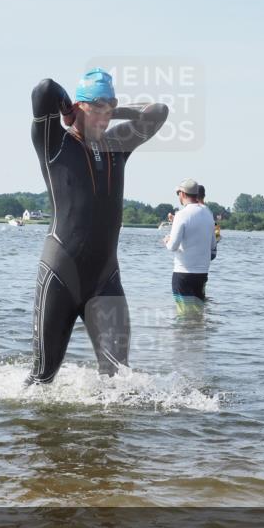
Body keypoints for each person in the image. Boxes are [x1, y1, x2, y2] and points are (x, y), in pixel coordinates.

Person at [28, 68, 168, 383]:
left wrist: (112, 108)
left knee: (119, 379)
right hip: (60, 275)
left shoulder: (117, 144)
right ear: (80, 107)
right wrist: (68, 110)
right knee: (42, 377)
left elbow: (159, 112)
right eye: (97, 112)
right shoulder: (54, 144)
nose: (105, 121)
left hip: (105, 280)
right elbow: (45, 89)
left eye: (110, 113)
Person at [164, 178, 217, 310]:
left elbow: (173, 246)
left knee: (184, 315)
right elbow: (213, 248)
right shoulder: (208, 214)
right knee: (198, 315)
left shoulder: (181, 215)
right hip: (202, 275)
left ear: (182, 194)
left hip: (183, 274)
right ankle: (197, 332)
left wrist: (167, 240)